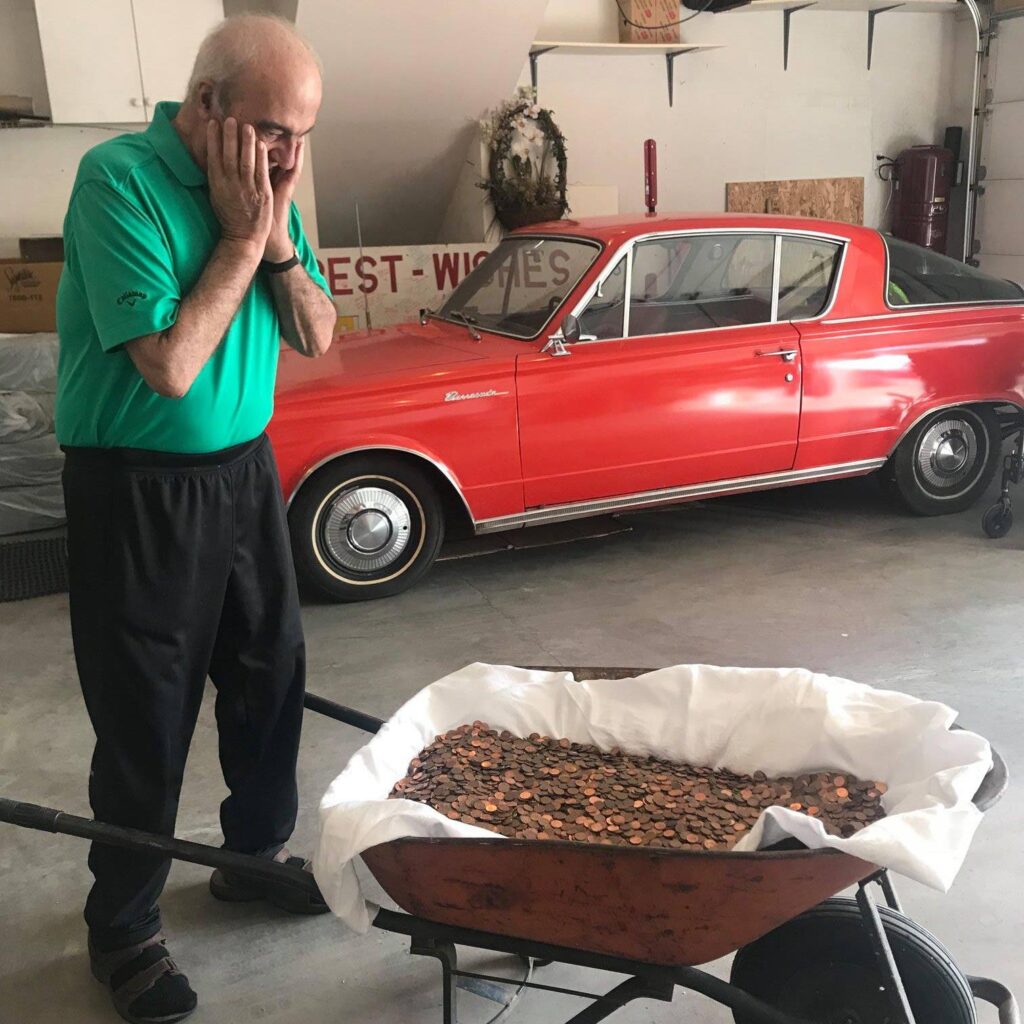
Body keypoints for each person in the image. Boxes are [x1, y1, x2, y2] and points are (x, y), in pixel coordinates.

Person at [54, 14, 337, 1023]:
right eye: (271, 130)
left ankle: (249, 857)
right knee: (148, 714)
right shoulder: (116, 180)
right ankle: (122, 930)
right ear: (203, 106)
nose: (288, 156)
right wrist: (238, 238)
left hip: (243, 472)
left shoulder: (272, 186)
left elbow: (316, 332)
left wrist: (278, 244)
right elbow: (170, 368)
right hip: (138, 486)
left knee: (270, 673)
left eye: (303, 134)